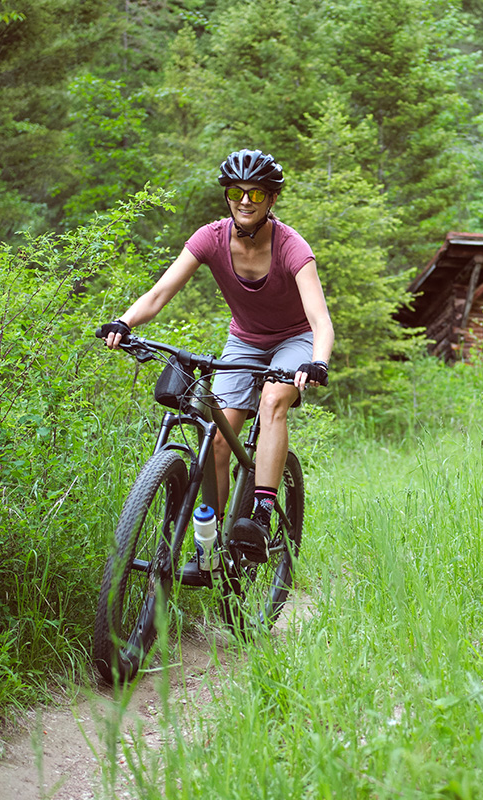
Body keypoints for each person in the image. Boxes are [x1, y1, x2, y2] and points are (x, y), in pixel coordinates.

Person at [98, 149, 333, 585]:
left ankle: (261, 515)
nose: (245, 201)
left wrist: (317, 361)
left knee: (274, 398)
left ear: (271, 199)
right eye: (235, 192)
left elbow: (320, 320)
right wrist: (124, 322)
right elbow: (158, 294)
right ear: (227, 196)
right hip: (244, 340)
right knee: (219, 435)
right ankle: (210, 548)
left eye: (256, 193)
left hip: (294, 339)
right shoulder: (209, 238)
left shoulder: (291, 247)